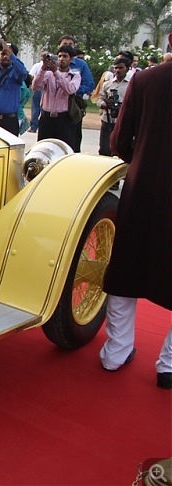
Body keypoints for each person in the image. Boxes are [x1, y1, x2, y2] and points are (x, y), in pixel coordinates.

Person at [99, 32, 172, 390]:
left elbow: (119, 141)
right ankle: (169, 366)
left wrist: (142, 159)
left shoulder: (144, 79)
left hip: (144, 187)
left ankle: (115, 352)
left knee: (127, 266)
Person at [31, 46, 80, 148]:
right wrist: (43, 69)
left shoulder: (74, 75)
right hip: (47, 117)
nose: (61, 59)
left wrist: (56, 72)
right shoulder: (48, 74)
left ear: (71, 59)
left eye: (65, 56)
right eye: (60, 56)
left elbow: (70, 89)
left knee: (62, 148)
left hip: (63, 119)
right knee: (43, 147)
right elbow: (36, 87)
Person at [58, 36, 94, 152]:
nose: (67, 46)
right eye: (65, 44)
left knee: (72, 140)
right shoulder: (53, 64)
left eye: (70, 44)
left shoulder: (81, 65)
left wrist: (72, 89)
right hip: (54, 107)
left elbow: (89, 84)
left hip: (72, 107)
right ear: (58, 46)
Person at [95, 57, 129, 156]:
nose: (118, 70)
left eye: (121, 68)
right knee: (104, 149)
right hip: (107, 120)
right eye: (116, 68)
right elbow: (99, 99)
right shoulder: (107, 84)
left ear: (127, 68)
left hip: (123, 120)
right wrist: (104, 105)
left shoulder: (131, 84)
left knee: (120, 150)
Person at [27, 52, 48, 133]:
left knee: (35, 108)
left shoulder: (37, 65)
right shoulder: (50, 66)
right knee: (43, 108)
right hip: (44, 88)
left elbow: (31, 75)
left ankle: (33, 127)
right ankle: (43, 126)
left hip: (37, 88)